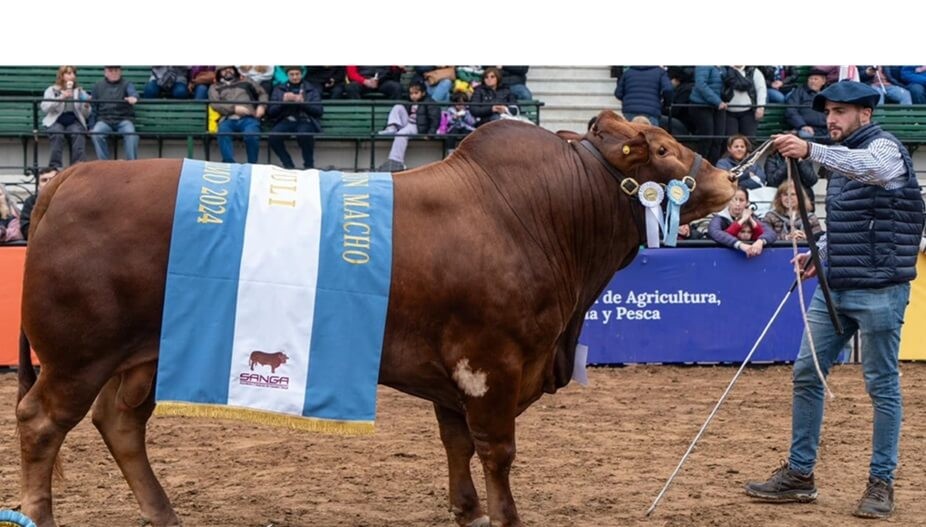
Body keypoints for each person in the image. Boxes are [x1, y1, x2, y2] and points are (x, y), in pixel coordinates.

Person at [745, 81, 925, 519]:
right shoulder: (839, 159)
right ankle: (800, 475)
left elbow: (875, 171)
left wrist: (811, 151)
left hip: (881, 289)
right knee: (807, 373)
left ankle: (881, 483)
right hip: (835, 286)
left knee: (881, 385)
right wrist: (819, 254)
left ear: (866, 114)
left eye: (841, 112)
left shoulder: (884, 149)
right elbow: (848, 221)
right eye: (828, 113)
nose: (831, 120)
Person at [376, 79, 440, 172]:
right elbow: (403, 113)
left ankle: (396, 161)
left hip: (418, 126)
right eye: (411, 93)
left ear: (423, 93)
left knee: (401, 134)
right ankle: (392, 128)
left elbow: (435, 118)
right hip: (408, 123)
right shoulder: (409, 101)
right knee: (398, 107)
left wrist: (430, 134)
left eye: (416, 93)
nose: (413, 96)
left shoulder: (429, 102)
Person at [208, 66, 267, 164]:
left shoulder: (247, 81)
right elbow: (215, 104)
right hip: (227, 118)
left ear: (235, 70)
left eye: (230, 68)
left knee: (251, 134)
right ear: (219, 72)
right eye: (224, 69)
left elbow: (262, 93)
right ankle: (229, 164)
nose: (227, 70)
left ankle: (252, 165)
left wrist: (262, 106)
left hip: (249, 118)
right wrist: (234, 108)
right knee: (223, 132)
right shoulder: (214, 87)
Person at [267, 66, 323, 170]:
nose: (295, 77)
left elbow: (318, 111)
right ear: (287, 75)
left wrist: (303, 103)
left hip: (305, 120)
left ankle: (309, 165)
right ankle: (288, 165)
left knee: (304, 134)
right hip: (286, 120)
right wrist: (282, 102)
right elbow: (271, 112)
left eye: (297, 74)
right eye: (292, 74)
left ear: (301, 74)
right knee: (273, 137)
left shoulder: (311, 88)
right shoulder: (279, 89)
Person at [41, 66, 91, 169]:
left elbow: (86, 115)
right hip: (56, 120)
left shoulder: (79, 91)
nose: (72, 76)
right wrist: (61, 98)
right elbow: (45, 107)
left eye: (73, 73)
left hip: (73, 120)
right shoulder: (52, 90)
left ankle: (78, 167)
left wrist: (86, 105)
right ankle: (55, 167)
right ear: (62, 76)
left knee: (78, 132)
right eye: (68, 73)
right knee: (57, 134)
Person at [708, 187, 776, 257]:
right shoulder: (720, 217)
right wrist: (739, 244)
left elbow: (771, 233)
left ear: (747, 203)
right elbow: (714, 232)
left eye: (741, 200)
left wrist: (760, 241)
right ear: (728, 201)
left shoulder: (752, 217)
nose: (737, 204)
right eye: (734, 200)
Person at [89, 66, 139, 161]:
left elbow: (133, 93)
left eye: (116, 70)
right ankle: (104, 164)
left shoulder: (127, 84)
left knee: (131, 134)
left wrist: (133, 98)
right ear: (105, 72)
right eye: (110, 70)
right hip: (104, 120)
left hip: (124, 119)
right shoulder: (97, 86)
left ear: (120, 72)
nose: (114, 73)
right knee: (96, 133)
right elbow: (94, 107)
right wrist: (91, 126)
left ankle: (132, 164)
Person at [20, 167, 57, 240]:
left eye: (52, 179)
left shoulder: (67, 200)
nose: (48, 182)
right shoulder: (30, 202)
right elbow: (26, 229)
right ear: (38, 186)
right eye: (44, 180)